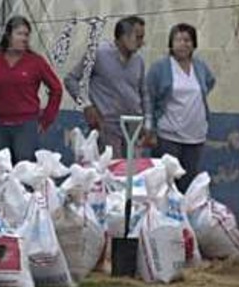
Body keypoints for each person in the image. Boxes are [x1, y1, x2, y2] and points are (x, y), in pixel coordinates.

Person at [0, 15, 63, 163]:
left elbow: (56, 89)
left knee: (24, 172)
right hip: (0, 125)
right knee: (1, 170)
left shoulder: (36, 62)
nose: (24, 38)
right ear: (8, 36)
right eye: (19, 34)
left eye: (26, 35)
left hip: (26, 125)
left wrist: (46, 120)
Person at [144, 23, 216, 191]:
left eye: (187, 40)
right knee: (166, 184)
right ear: (171, 43)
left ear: (193, 44)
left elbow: (209, 82)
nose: (183, 44)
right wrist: (149, 128)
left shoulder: (200, 66)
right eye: (178, 40)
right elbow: (149, 97)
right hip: (168, 135)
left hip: (196, 135)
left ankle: (183, 215)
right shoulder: (160, 68)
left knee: (188, 183)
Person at [71, 15, 149, 157]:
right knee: (111, 172)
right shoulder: (98, 53)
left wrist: (147, 123)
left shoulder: (139, 61)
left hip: (133, 126)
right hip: (107, 125)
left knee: (132, 173)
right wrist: (87, 105)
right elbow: (71, 79)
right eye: (138, 37)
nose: (142, 42)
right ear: (124, 36)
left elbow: (144, 93)